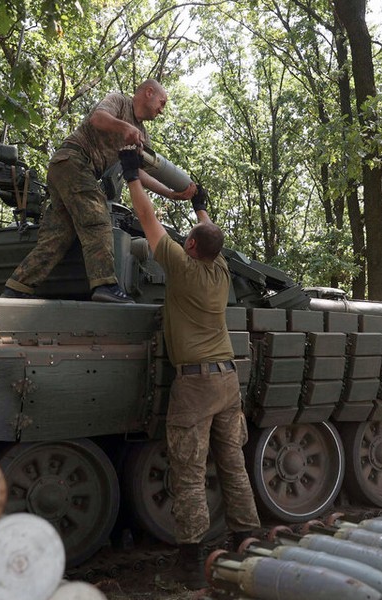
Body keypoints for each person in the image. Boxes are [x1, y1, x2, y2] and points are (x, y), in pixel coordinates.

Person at [117, 147, 261, 590]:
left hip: (196, 385)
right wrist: (198, 202)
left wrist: (131, 177)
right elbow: (210, 232)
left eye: (190, 237)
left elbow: (147, 219)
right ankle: (248, 539)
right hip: (226, 381)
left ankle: (190, 557)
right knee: (232, 464)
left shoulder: (182, 267)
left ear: (191, 246)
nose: (186, 240)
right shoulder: (218, 270)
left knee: (188, 471)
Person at [1, 79, 196, 303]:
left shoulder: (140, 133)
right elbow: (98, 119)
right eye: (161, 103)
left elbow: (139, 173)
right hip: (73, 160)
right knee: (98, 219)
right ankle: (105, 285)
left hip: (72, 171)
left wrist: (171, 194)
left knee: (57, 237)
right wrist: (125, 127)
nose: (162, 110)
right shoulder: (119, 102)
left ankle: (16, 287)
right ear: (148, 93)